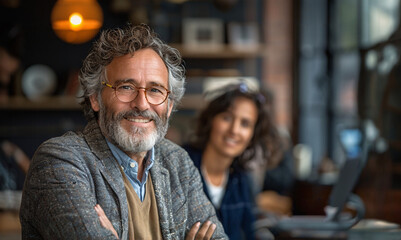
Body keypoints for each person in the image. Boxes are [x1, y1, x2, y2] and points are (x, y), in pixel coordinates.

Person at [20, 24, 227, 240]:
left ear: (170, 105)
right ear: (95, 97)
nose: (142, 104)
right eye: (126, 87)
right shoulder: (58, 161)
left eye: (155, 90)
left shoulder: (177, 162)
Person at [183, 82, 274, 240]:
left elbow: (249, 234)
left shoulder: (241, 180)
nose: (234, 130)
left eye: (245, 124)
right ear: (211, 119)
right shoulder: (179, 166)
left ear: (253, 134)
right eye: (227, 118)